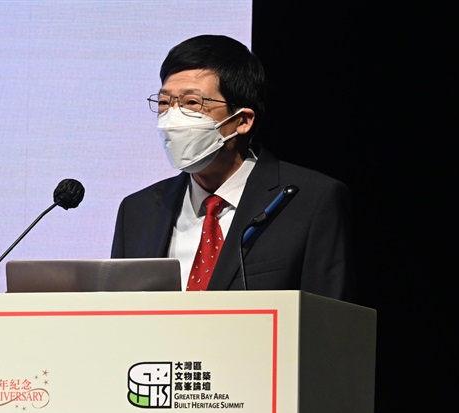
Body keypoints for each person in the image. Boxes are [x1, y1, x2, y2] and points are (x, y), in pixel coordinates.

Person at [111, 34, 353, 301]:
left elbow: (328, 322)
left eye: (192, 103)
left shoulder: (311, 201)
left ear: (243, 121)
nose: (173, 118)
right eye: (165, 103)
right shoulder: (137, 211)